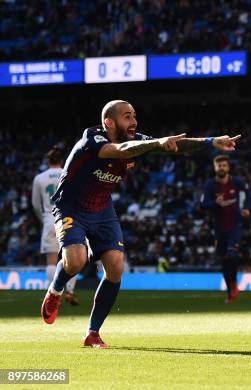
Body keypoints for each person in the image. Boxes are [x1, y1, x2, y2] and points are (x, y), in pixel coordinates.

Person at [41, 99, 240, 348]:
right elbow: (123, 150)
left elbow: (174, 145)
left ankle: (92, 333)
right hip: (70, 207)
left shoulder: (138, 140)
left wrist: (211, 142)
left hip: (102, 209)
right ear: (109, 122)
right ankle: (56, 289)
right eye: (127, 116)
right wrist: (156, 143)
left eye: (134, 115)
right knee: (76, 260)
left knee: (115, 268)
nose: (134, 121)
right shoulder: (92, 140)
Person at [32, 147, 79, 305]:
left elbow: (35, 204)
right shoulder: (68, 173)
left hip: (49, 219)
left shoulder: (39, 178)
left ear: (48, 161)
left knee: (51, 260)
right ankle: (70, 292)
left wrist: (43, 219)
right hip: (68, 218)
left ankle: (54, 295)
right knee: (72, 257)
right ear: (61, 161)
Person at [203, 155, 251, 303]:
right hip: (219, 229)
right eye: (219, 166)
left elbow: (249, 194)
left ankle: (234, 283)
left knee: (232, 254)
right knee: (224, 262)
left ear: (228, 167)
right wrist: (214, 203)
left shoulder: (236, 182)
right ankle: (230, 291)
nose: (222, 168)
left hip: (235, 226)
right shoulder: (210, 185)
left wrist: (247, 209)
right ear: (215, 168)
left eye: (224, 165)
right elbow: (204, 204)